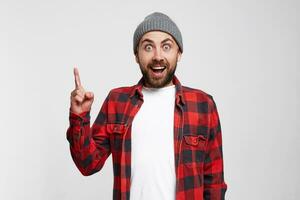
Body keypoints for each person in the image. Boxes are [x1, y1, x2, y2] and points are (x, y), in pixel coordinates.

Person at [66, 12, 227, 200]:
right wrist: (79, 117)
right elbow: (87, 164)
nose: (158, 56)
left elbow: (214, 184)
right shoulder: (117, 101)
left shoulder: (202, 105)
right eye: (148, 47)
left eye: (166, 46)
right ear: (136, 55)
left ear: (179, 53)